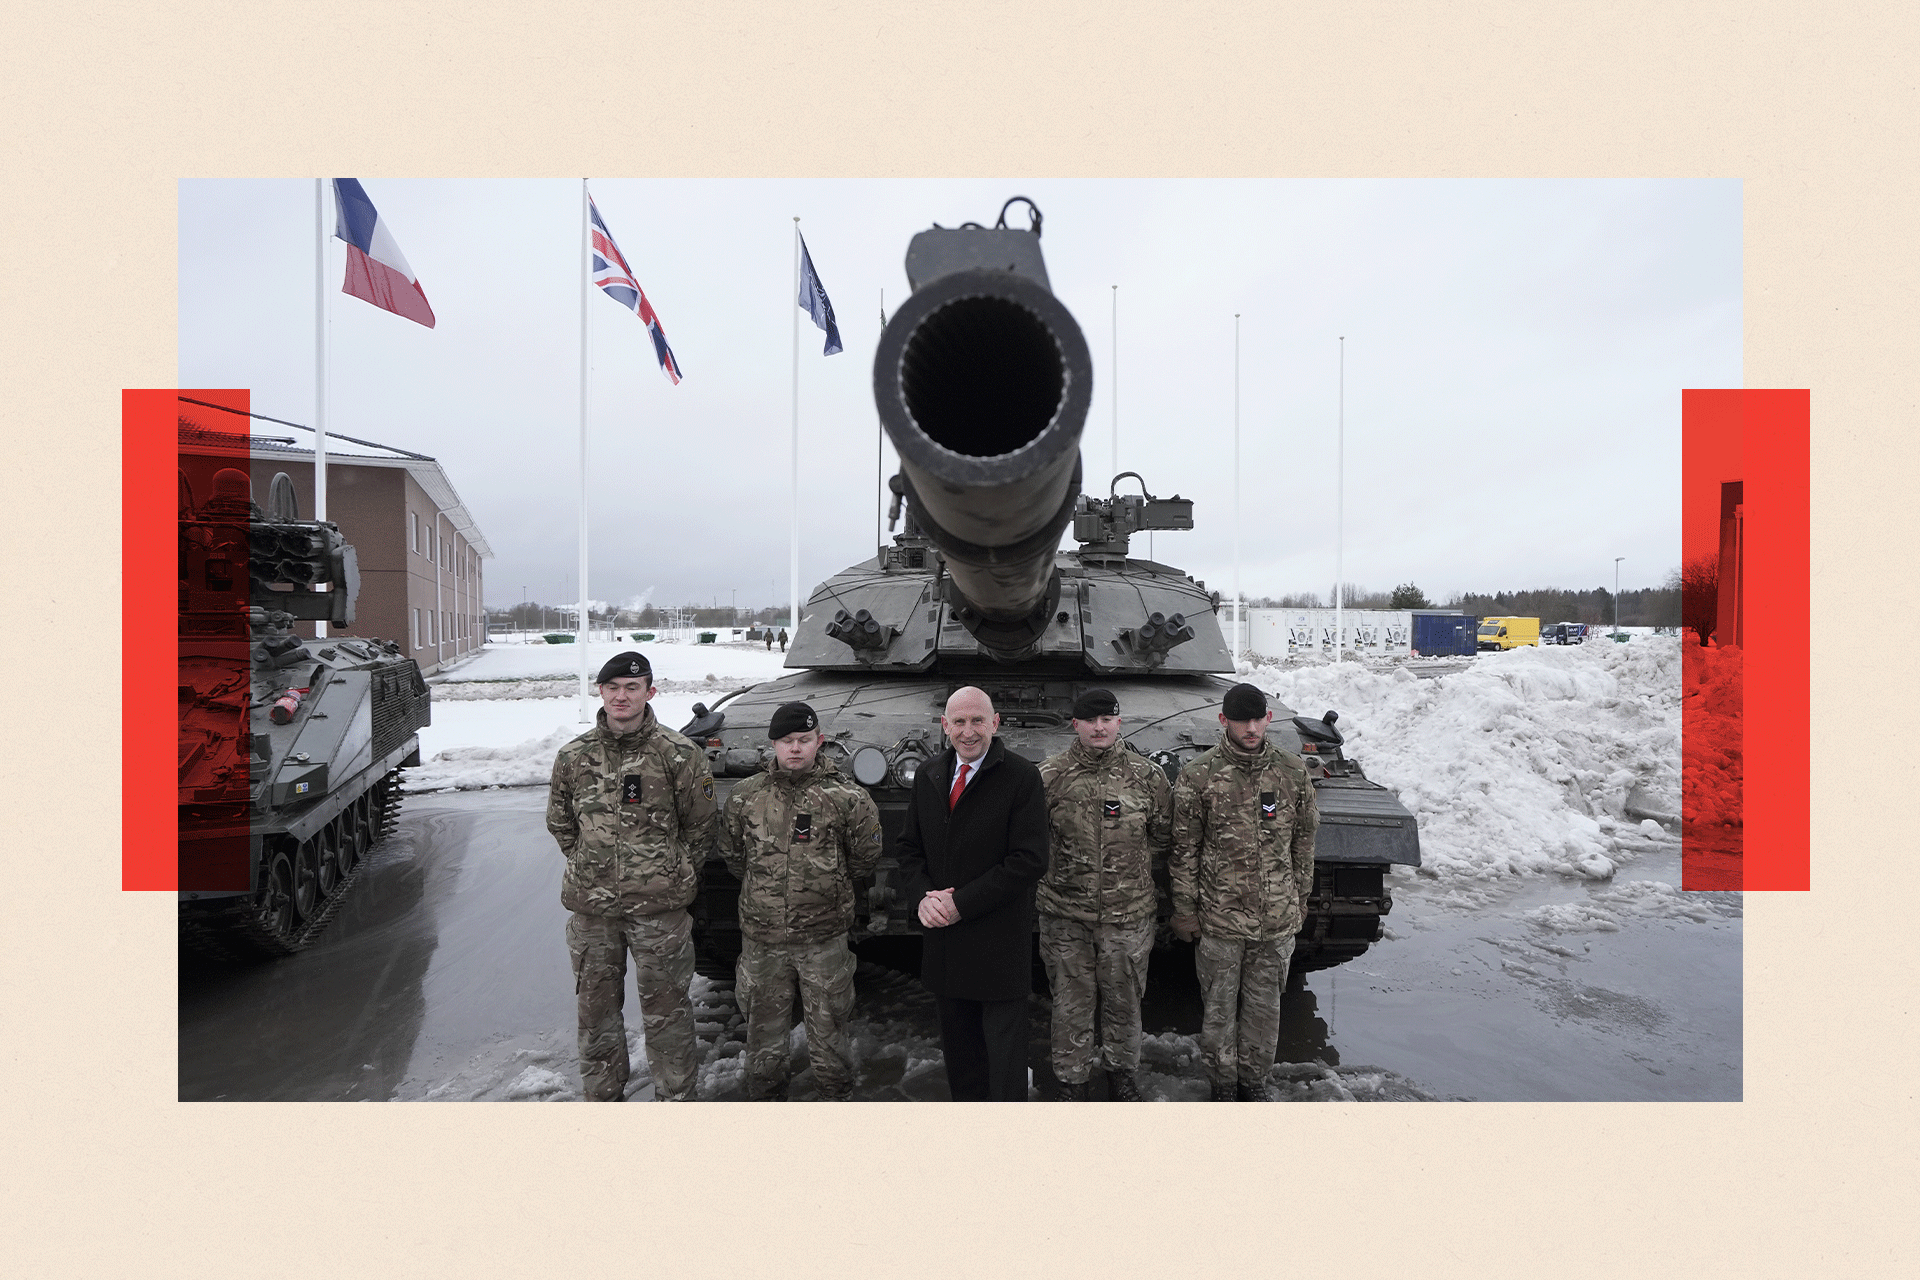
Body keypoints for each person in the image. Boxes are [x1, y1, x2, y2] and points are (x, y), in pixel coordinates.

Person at [546, 650, 718, 1101]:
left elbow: (700, 827)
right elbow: (561, 822)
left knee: (668, 1013)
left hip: (660, 913)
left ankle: (676, 1099)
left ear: (650, 692)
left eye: (632, 688)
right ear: (600, 692)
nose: (621, 697)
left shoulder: (679, 754)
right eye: (612, 688)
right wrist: (591, 867)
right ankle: (604, 1101)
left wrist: (670, 874)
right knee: (595, 1014)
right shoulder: (573, 756)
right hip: (592, 913)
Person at [717, 701, 883, 1100]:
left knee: (830, 1038)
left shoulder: (846, 798)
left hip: (823, 940)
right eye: (787, 741)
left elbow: (864, 856)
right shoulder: (746, 796)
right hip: (763, 941)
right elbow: (733, 854)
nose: (795, 749)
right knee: (764, 1043)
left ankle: (834, 1103)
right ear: (773, 744)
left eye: (804, 740)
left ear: (819, 742)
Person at [895, 686, 1049, 1101]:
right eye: (959, 722)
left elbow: (1029, 859)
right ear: (944, 726)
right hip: (946, 943)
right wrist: (923, 897)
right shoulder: (930, 775)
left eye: (978, 720)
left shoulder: (1020, 776)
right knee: (961, 1059)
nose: (968, 731)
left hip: (997, 941)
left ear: (995, 723)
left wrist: (960, 904)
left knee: (1004, 1063)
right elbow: (910, 848)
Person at [1168, 682, 1319, 1102]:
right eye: (1241, 720)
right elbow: (1184, 850)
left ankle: (1254, 1085)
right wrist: (1184, 911)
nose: (1251, 728)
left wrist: (1301, 900)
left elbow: (1304, 843)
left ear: (1269, 719)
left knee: (1265, 1011)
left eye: (1258, 719)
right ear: (1224, 722)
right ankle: (1221, 1086)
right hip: (1220, 920)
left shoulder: (1291, 771)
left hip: (1275, 919)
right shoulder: (1200, 775)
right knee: (1218, 1014)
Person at [1035, 688, 1174, 1101]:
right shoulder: (1049, 777)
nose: (1099, 727)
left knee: (1125, 1000)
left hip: (1127, 914)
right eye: (1090, 720)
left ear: (1119, 722)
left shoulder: (1147, 777)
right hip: (1065, 914)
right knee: (1070, 1002)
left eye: (1107, 719)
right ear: (1075, 724)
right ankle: (1071, 1080)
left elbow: (1163, 836)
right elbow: (1031, 841)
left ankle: (1122, 1074)